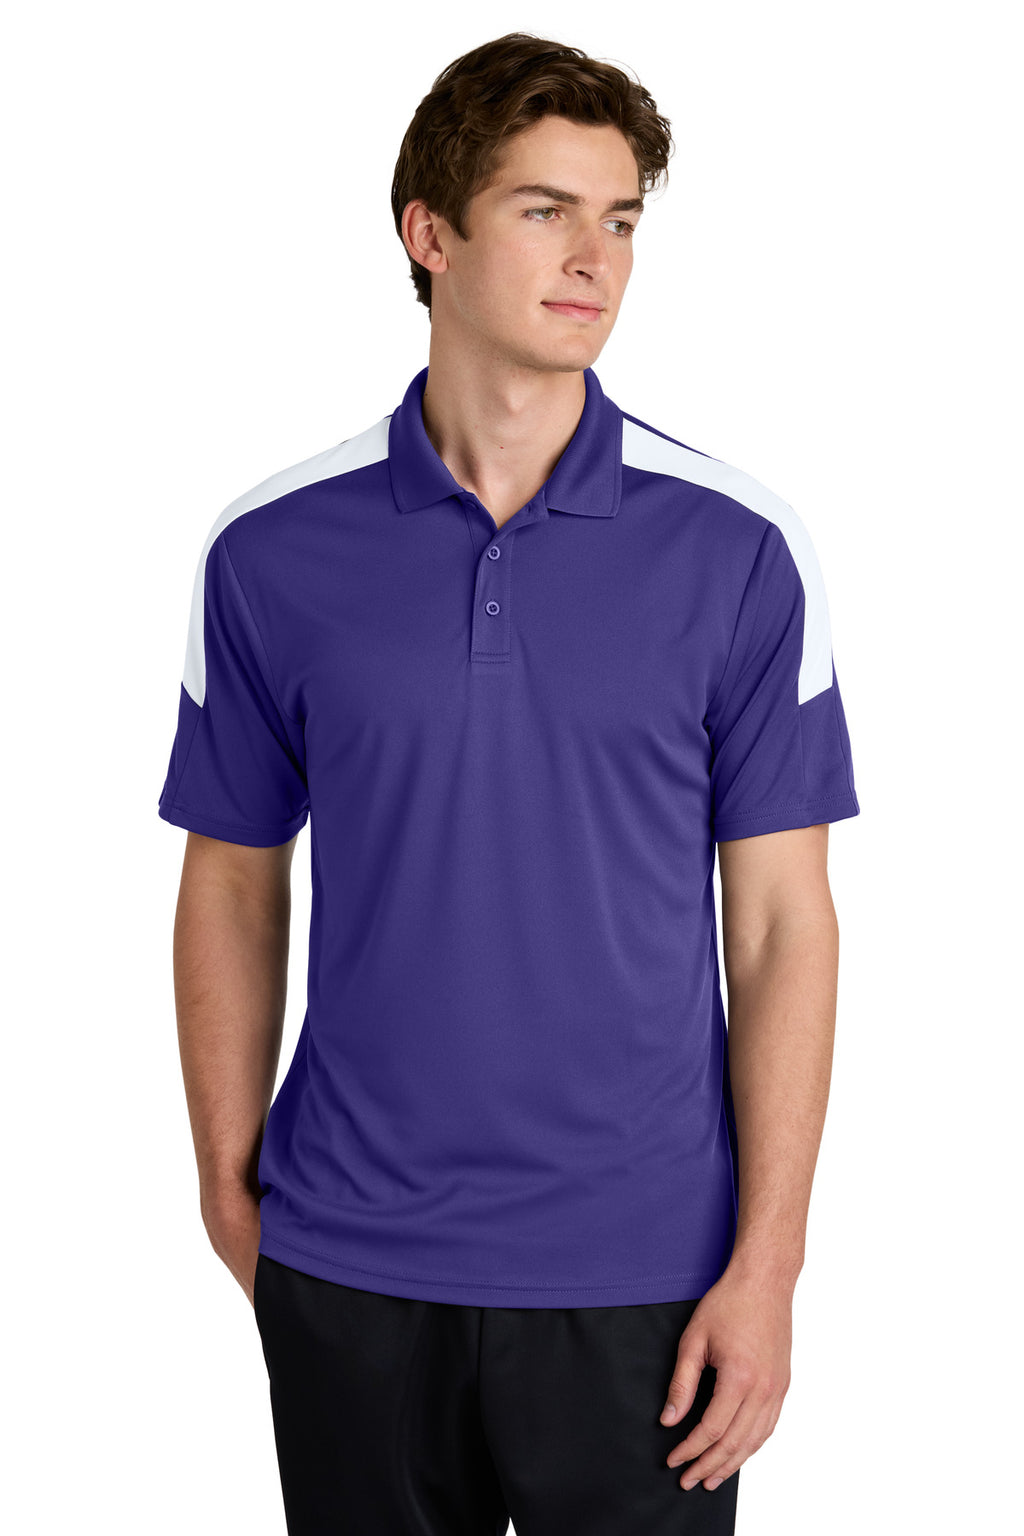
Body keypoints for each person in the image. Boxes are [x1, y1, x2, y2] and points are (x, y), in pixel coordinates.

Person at [158, 30, 860, 1536]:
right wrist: (227, 1186)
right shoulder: (270, 552)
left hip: (648, 1278)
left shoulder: (740, 549)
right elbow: (231, 875)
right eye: (547, 211)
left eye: (621, 220)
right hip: (350, 1262)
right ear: (431, 235)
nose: (596, 259)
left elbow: (782, 927)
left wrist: (770, 1265)